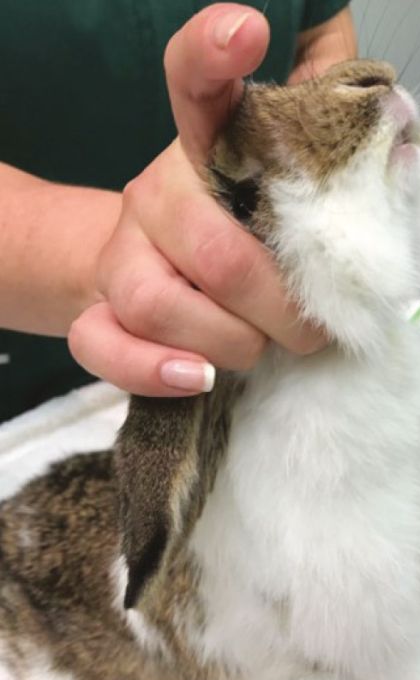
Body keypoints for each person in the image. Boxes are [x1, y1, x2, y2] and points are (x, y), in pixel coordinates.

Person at [0, 2, 357, 421]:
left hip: (279, 360)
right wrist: (119, 255)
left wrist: (312, 149)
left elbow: (322, 36)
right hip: (31, 385)